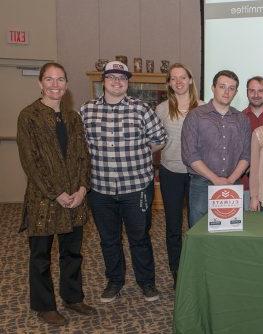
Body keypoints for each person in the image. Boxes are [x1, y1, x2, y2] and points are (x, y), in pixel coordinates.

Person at [80, 61, 167, 303]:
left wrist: (137, 156)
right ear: (104, 81)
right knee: (109, 239)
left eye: (122, 78)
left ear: (127, 82)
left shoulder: (141, 109)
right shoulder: (87, 110)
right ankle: (114, 281)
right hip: (99, 188)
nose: (117, 81)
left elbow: (159, 139)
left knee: (140, 238)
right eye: (112, 77)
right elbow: (81, 147)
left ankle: (146, 283)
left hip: (136, 187)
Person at [17, 62, 96, 326]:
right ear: (40, 83)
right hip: (44, 200)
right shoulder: (28, 116)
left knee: (72, 254)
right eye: (49, 80)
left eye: (60, 79)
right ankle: (44, 306)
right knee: (40, 257)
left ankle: (73, 298)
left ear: (66, 85)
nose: (55, 85)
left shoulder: (73, 117)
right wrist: (57, 193)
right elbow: (31, 161)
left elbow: (83, 155)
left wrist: (83, 188)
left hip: (76, 198)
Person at [181, 69, 251, 227]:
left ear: (236, 92)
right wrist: (215, 179)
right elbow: (189, 155)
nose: (227, 92)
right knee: (200, 233)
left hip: (232, 185)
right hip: (202, 185)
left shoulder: (242, 120)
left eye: (231, 88)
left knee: (228, 234)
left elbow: (246, 155)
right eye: (222, 86)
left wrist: (230, 181)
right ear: (213, 88)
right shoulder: (195, 116)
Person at [155, 63, 203, 288]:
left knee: (198, 225)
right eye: (173, 78)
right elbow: (155, 141)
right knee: (173, 226)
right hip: (171, 173)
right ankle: (177, 272)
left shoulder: (203, 108)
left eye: (183, 77)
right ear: (169, 83)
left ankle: (197, 268)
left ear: (191, 80)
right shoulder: (161, 109)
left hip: (198, 174)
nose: (179, 82)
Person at [241, 76, 263, 209]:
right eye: (252, 91)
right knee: (249, 227)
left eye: (260, 91)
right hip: (246, 185)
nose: (256, 95)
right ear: (247, 92)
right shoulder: (238, 119)